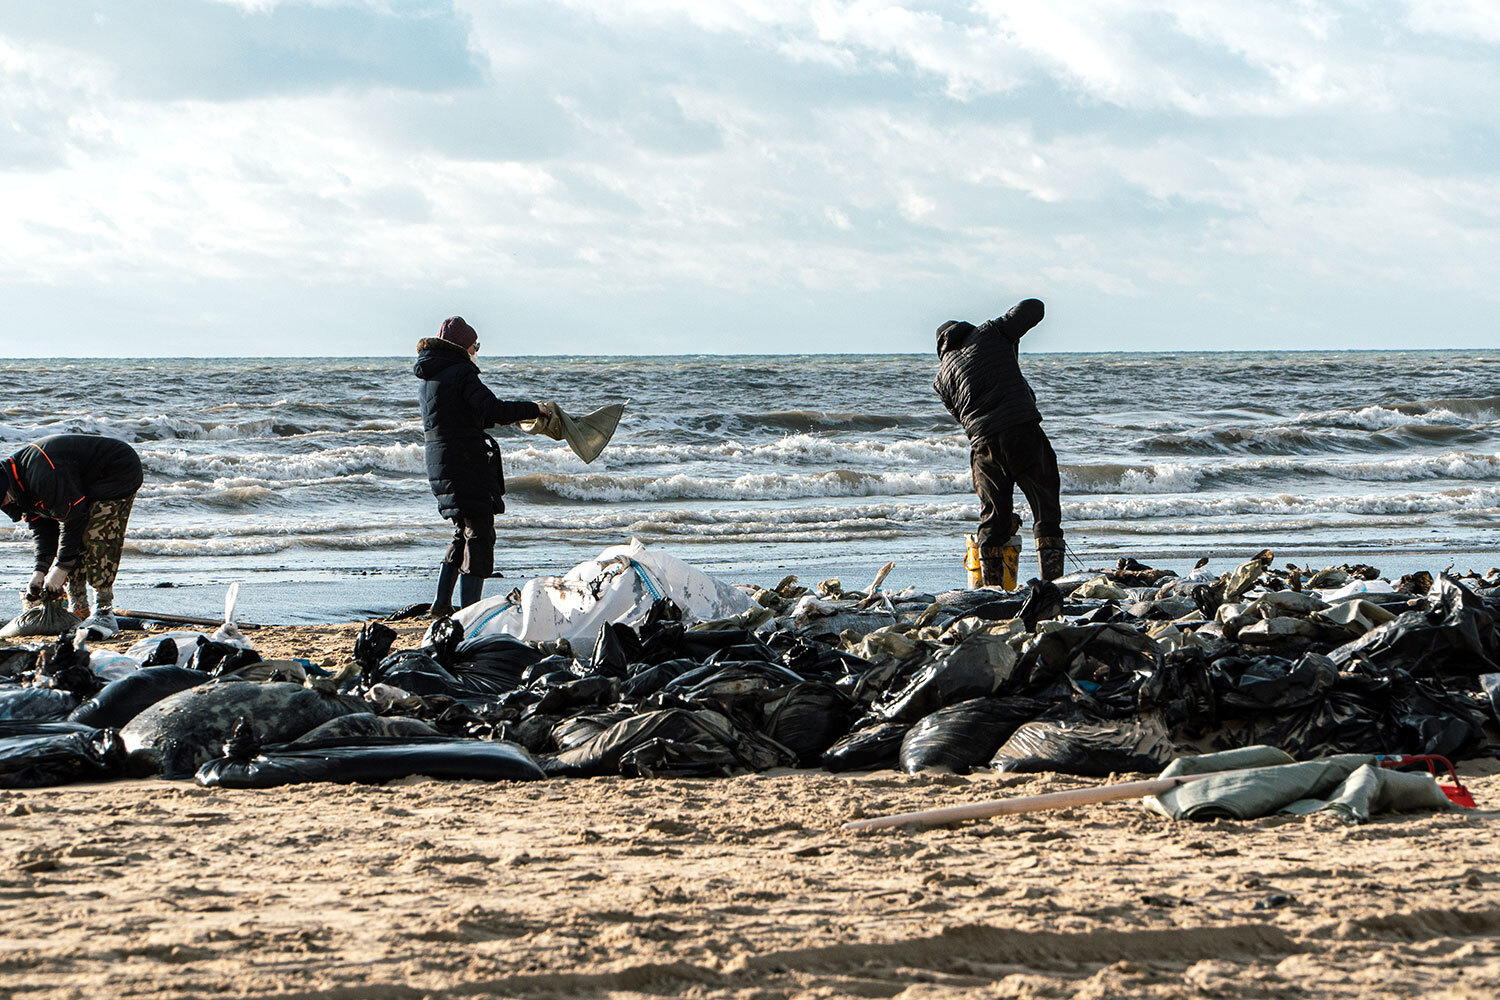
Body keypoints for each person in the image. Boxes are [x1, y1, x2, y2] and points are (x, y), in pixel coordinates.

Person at [414, 316, 552, 616]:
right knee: (480, 535)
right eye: (476, 345)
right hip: (464, 463)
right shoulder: (461, 371)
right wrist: (533, 409)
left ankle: (440, 605)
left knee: (462, 531)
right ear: (465, 346)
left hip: (440, 462)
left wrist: (517, 415)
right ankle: (470, 612)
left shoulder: (431, 376)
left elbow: (469, 415)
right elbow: (492, 408)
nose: (477, 351)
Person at [932, 298, 1066, 584]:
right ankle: (1052, 587)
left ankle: (992, 592)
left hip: (982, 445)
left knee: (993, 522)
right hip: (1022, 430)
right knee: (1046, 510)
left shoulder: (941, 378)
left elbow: (961, 415)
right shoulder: (990, 333)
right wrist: (1007, 327)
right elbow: (1035, 307)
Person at [0, 433, 145, 636]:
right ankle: (78, 607)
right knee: (69, 541)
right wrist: (40, 571)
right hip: (82, 480)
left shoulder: (42, 475)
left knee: (96, 534)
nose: (5, 506)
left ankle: (103, 609)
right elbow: (43, 529)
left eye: (2, 502)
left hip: (117, 469)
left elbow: (73, 517)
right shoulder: (19, 487)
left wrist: (60, 568)